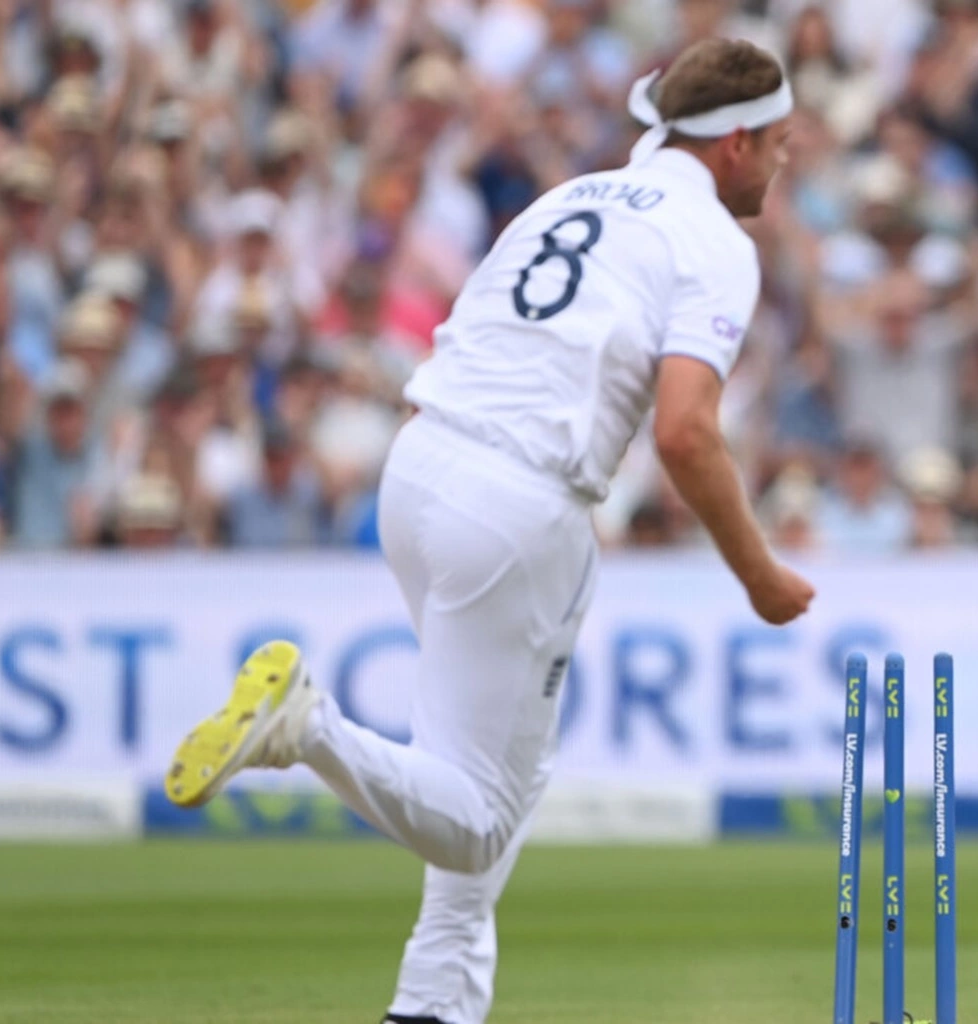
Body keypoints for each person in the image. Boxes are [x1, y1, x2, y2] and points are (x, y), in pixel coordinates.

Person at [162, 39, 814, 1024]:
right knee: (473, 821)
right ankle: (308, 724)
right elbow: (684, 431)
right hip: (518, 506)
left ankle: (433, 1001)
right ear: (732, 146)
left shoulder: (565, 198)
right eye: (775, 144)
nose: (783, 161)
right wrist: (758, 573)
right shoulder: (714, 241)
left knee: (502, 758)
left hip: (419, 466)